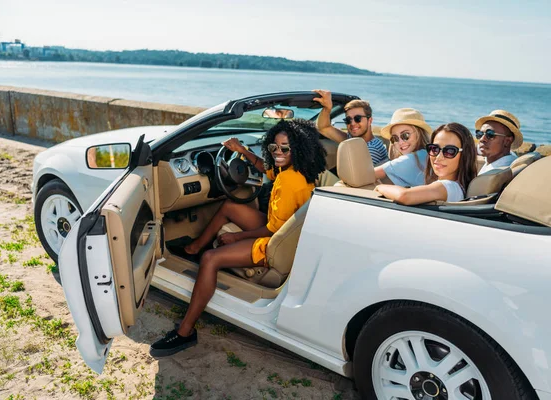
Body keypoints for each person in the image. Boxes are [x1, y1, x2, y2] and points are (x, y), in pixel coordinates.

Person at [150, 119, 327, 357]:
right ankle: (193, 247)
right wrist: (243, 151)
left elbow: (272, 231)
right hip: (286, 232)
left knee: (211, 259)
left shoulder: (288, 182)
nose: (278, 153)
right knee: (230, 206)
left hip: (276, 243)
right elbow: (268, 169)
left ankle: (185, 331)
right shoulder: (299, 170)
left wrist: (237, 238)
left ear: (298, 147)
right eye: (274, 147)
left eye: (285, 148)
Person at [374, 123, 477, 204]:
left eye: (450, 151)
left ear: (465, 155)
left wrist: (380, 187)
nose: (438, 157)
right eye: (434, 149)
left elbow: (404, 196)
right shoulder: (456, 187)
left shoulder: (448, 187)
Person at [312, 89, 389, 165]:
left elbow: (360, 177)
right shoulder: (355, 140)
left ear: (370, 121)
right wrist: (327, 108)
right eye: (348, 120)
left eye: (357, 118)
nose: (352, 123)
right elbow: (323, 128)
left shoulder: (370, 150)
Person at [374, 108, 432, 187]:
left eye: (405, 135)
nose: (400, 142)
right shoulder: (427, 154)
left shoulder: (411, 159)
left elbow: (365, 176)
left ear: (419, 133)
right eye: (395, 138)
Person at [475, 110, 523, 175]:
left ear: (507, 141)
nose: (482, 139)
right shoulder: (509, 158)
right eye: (480, 134)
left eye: (490, 134)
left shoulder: (496, 173)